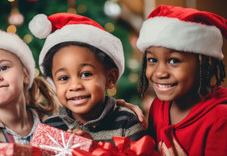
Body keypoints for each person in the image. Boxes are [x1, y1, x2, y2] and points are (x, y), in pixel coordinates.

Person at [136, 5, 227, 156]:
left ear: (207, 65)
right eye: (152, 60)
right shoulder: (159, 105)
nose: (159, 72)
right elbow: (149, 155)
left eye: (173, 61)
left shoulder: (222, 120)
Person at [28, 12, 146, 142]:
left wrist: (92, 149)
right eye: (63, 78)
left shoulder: (127, 123)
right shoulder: (50, 128)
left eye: (86, 74)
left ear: (110, 78)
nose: (75, 86)